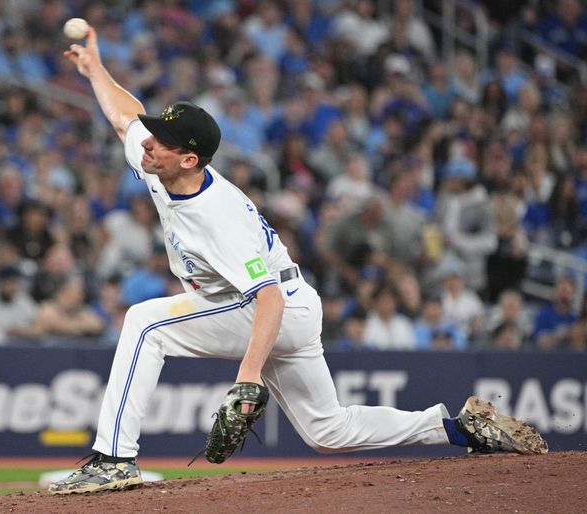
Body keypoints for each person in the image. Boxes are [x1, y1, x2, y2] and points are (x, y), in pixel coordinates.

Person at [48, 25, 547, 495]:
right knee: (328, 430)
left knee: (144, 323)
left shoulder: (216, 214)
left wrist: (247, 376)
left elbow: (265, 297)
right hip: (293, 304)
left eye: (163, 139)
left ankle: (113, 459)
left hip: (270, 308)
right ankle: (458, 429)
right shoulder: (163, 163)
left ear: (190, 160)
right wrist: (95, 68)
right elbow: (124, 117)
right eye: (154, 134)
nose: (148, 141)